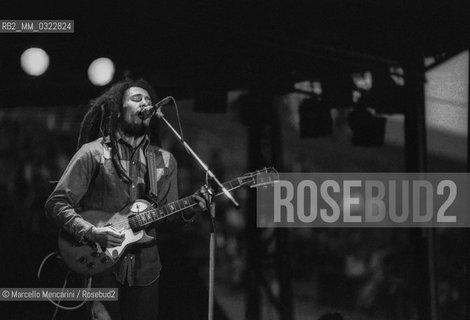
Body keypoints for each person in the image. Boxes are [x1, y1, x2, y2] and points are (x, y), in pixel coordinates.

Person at [45, 79, 208, 320]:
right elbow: (56, 203)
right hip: (100, 267)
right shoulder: (93, 153)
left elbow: (166, 217)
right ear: (119, 111)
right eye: (136, 99)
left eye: (148, 101)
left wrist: (191, 207)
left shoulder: (164, 161)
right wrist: (90, 231)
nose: (145, 103)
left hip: (146, 271)